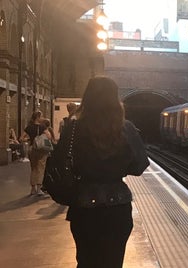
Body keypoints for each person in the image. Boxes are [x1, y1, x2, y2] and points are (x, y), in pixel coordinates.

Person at [65, 76, 149, 268]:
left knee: (86, 260)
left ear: (87, 98)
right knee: (113, 262)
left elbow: (62, 162)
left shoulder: (74, 128)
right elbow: (139, 166)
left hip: (84, 204)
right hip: (117, 205)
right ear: (115, 99)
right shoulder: (126, 128)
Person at [22, 111, 51, 195]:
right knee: (41, 168)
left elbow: (21, 138)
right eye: (41, 116)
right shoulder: (43, 127)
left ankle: (32, 189)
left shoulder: (29, 127)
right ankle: (39, 189)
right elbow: (48, 137)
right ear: (38, 117)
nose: (42, 118)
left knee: (33, 168)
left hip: (32, 149)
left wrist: (29, 140)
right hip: (41, 150)